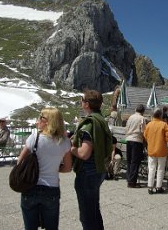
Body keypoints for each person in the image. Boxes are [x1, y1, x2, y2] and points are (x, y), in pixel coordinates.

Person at [19, 108, 72, 230]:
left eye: (40, 118)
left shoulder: (34, 138)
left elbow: (20, 162)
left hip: (31, 187)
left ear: (47, 121)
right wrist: (53, 169)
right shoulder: (64, 142)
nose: (38, 120)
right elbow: (68, 167)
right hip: (51, 189)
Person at [71, 89, 113, 230]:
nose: (81, 102)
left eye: (82, 100)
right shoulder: (101, 120)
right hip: (99, 169)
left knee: (87, 215)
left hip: (87, 173)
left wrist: (71, 148)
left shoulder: (90, 123)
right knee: (94, 209)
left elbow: (84, 153)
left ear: (87, 104)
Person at [144, 108, 168, 194]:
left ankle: (150, 187)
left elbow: (145, 136)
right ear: (161, 115)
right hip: (161, 150)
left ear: (153, 115)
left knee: (151, 168)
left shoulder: (149, 125)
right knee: (160, 169)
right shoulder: (164, 125)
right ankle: (159, 187)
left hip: (151, 149)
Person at [125, 104, 147, 188]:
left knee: (129, 160)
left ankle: (129, 178)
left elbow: (126, 128)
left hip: (129, 139)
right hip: (137, 140)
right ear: (143, 111)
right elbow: (143, 131)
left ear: (136, 109)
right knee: (135, 161)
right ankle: (132, 182)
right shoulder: (142, 118)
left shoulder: (131, 117)